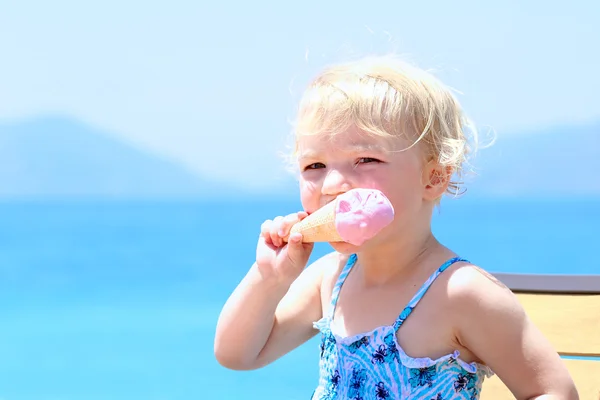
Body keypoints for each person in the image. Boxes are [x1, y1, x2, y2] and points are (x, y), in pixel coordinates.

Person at [214, 55, 578, 399]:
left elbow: (552, 390)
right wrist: (269, 279)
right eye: (314, 166)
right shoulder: (330, 279)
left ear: (433, 178)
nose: (331, 185)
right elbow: (239, 354)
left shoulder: (462, 293)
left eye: (366, 159)